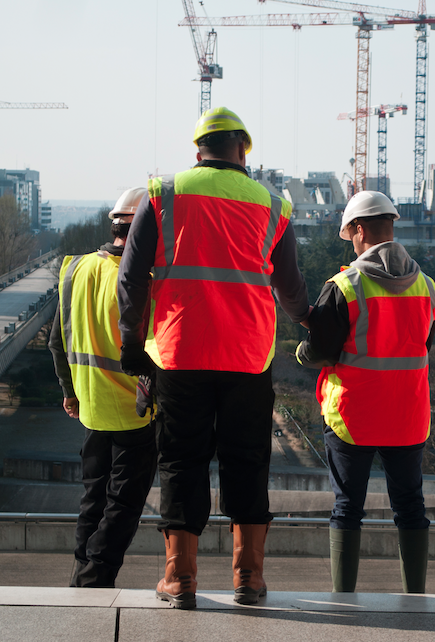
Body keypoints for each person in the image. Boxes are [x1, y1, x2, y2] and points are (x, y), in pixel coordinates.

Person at [116, 107, 309, 610]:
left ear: (197, 150)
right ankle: (249, 579)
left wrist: (131, 345)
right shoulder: (272, 204)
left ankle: (180, 580)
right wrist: (317, 323)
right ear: (243, 150)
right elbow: (290, 292)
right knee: (248, 461)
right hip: (248, 356)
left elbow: (132, 280)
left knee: (182, 460)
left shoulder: (164, 193)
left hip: (181, 353)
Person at [296, 191, 435, 594]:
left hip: (353, 416)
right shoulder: (428, 288)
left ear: (359, 229)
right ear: (391, 226)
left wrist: (300, 350)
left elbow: (322, 351)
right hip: (408, 417)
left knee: (347, 508)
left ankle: (344, 598)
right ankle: (416, 596)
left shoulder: (345, 285)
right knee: (411, 506)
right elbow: (421, 347)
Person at [48, 187, 158, 588]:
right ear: (142, 231)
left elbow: (57, 340)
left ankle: (82, 573)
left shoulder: (74, 270)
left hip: (91, 412)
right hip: (135, 415)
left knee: (93, 501)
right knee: (123, 507)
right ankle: (93, 580)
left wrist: (70, 392)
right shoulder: (143, 281)